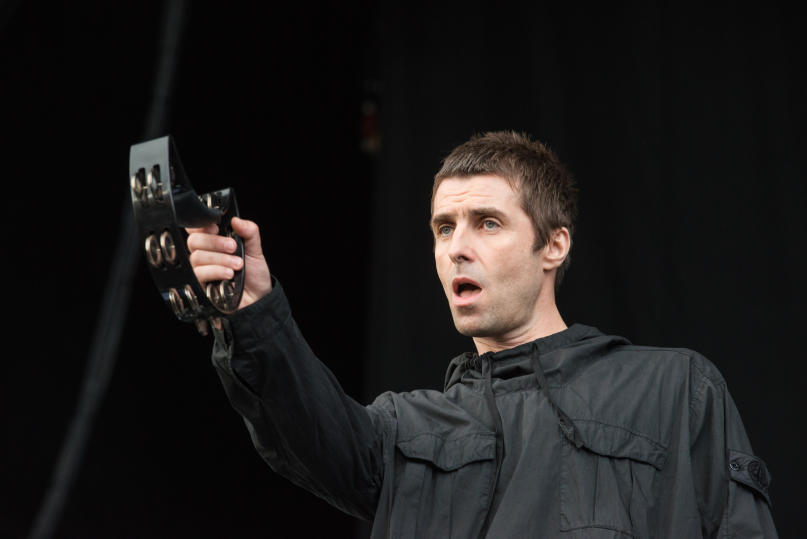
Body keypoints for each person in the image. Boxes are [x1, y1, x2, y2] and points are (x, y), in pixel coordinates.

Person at [186, 132, 777, 538]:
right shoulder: (403, 431)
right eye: (444, 228)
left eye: (487, 222)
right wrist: (252, 309)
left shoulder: (673, 388)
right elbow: (302, 427)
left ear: (554, 245)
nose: (457, 247)